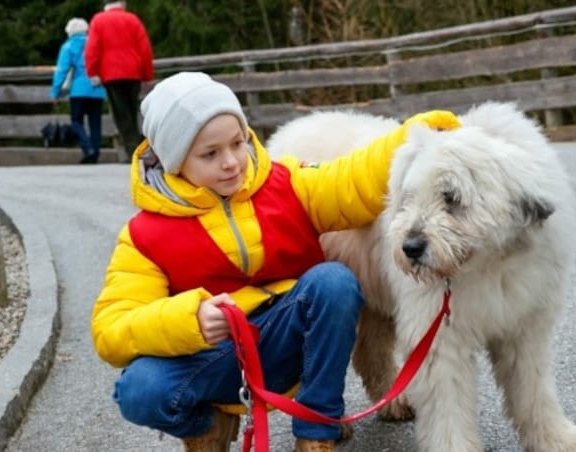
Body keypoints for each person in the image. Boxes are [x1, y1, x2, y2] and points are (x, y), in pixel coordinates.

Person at [90, 72, 460, 451]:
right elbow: (112, 328)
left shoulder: (285, 184)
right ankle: (206, 424)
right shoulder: (143, 236)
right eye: (211, 153)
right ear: (173, 159)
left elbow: (352, 179)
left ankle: (317, 427)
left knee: (333, 281)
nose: (232, 162)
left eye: (237, 143)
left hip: (286, 339)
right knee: (140, 389)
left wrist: (412, 134)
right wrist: (190, 319)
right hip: (211, 358)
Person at [85, 1, 154, 162]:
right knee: (134, 111)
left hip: (111, 74)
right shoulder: (132, 19)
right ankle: (142, 149)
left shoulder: (98, 20)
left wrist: (92, 72)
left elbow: (92, 48)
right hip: (133, 72)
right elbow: (145, 48)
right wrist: (147, 74)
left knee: (121, 115)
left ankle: (133, 152)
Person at [51, 18, 107, 164]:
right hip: (97, 89)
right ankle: (95, 151)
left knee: (76, 121)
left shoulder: (68, 47)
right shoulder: (95, 44)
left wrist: (55, 92)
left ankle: (87, 148)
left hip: (78, 90)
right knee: (95, 123)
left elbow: (62, 71)